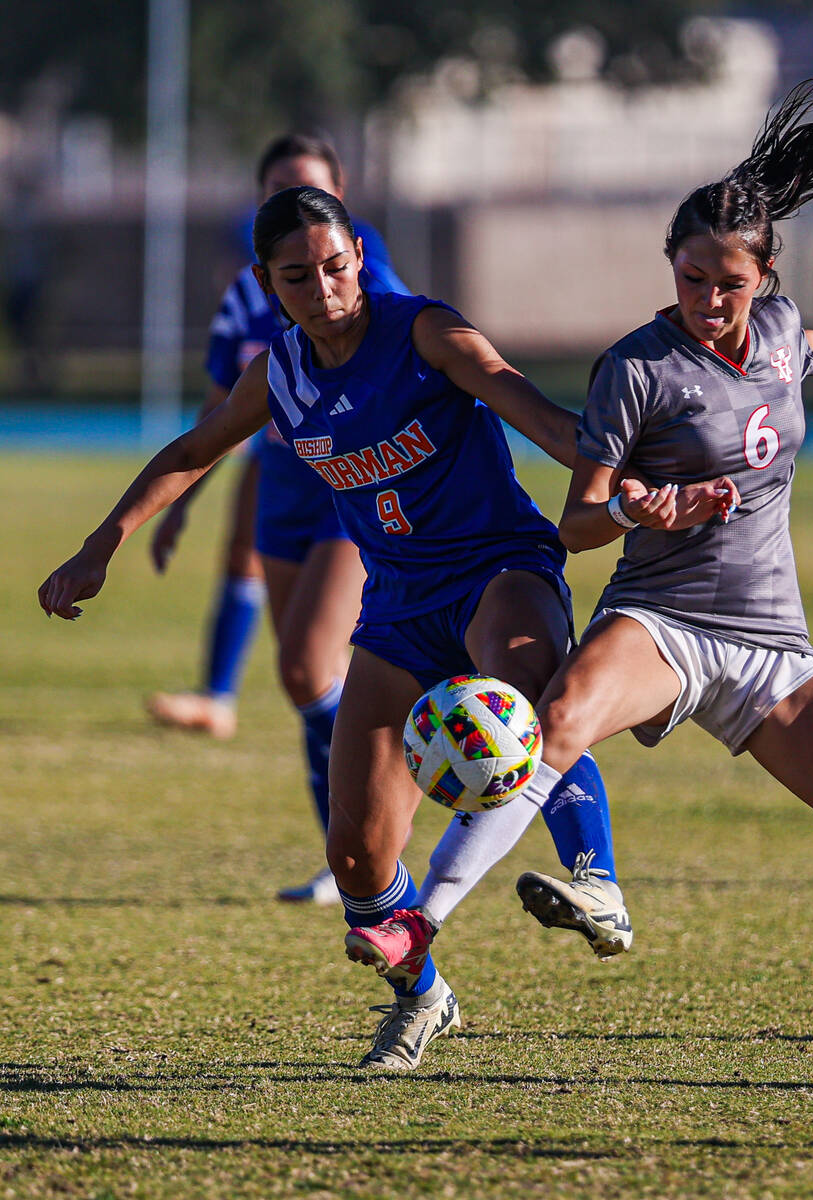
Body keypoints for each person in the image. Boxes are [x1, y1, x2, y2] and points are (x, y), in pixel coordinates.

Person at [340, 81, 813, 1090]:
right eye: (691, 278)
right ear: (672, 268)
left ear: (764, 278)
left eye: (728, 285)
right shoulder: (637, 370)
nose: (708, 300)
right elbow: (574, 521)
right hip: (659, 621)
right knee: (553, 713)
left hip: (771, 647)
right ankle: (416, 924)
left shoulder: (781, 332)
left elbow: (808, 357)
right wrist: (634, 513)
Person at [38, 184, 629, 1072]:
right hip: (395, 606)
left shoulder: (425, 332)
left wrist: (621, 479)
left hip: (497, 568)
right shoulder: (277, 374)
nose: (322, 288)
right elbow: (193, 450)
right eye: (297, 277)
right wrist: (100, 545)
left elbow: (541, 419)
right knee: (356, 859)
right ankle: (424, 997)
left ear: (359, 255)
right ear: (266, 283)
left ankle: (596, 881)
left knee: (529, 699)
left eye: (335, 266)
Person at [146, 133, 406, 904]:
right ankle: (352, 851)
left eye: (308, 188)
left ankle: (388, 815)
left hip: (348, 491)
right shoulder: (245, 292)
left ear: (340, 198)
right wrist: (179, 503)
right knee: (306, 684)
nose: (292, 204)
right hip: (282, 486)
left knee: (304, 666)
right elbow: (220, 409)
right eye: (277, 191)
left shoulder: (365, 275)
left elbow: (416, 366)